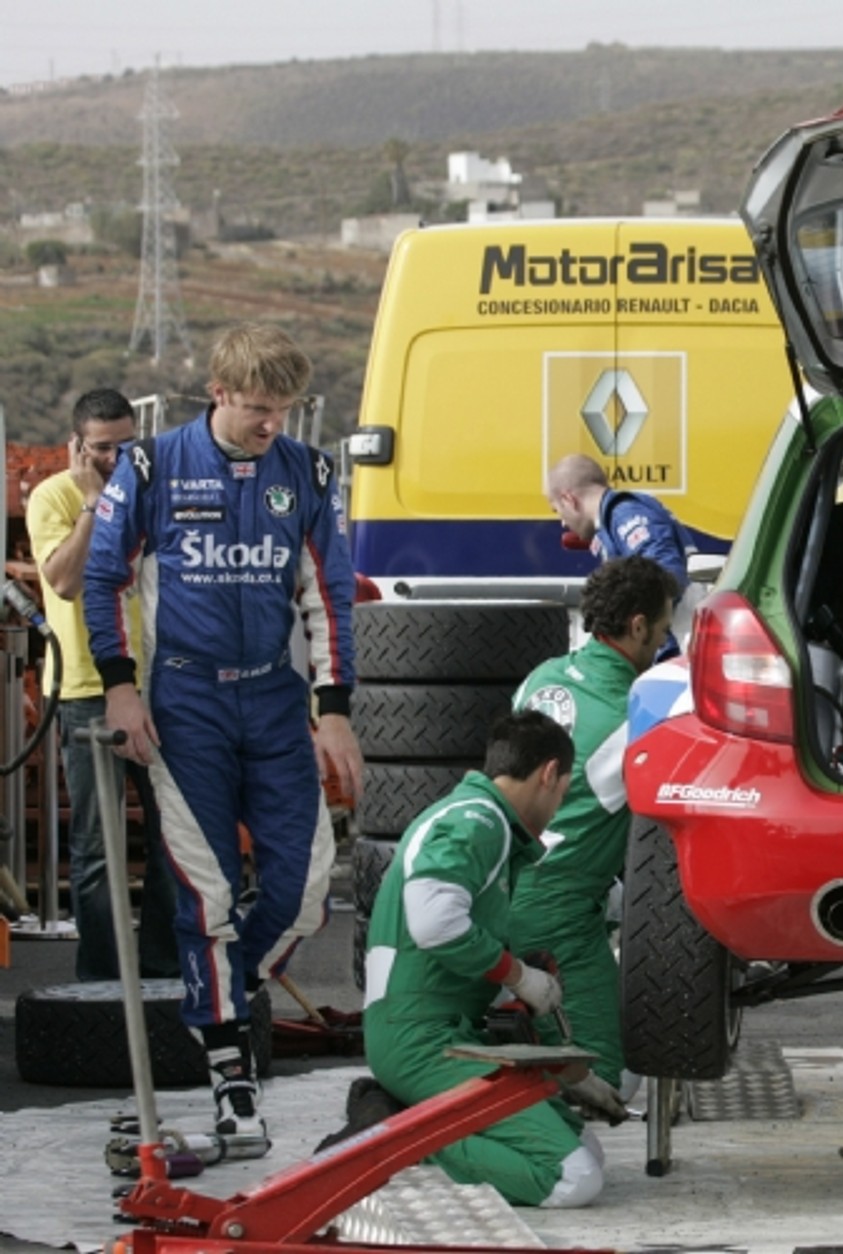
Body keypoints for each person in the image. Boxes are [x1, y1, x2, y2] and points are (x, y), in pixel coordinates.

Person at [83, 324, 363, 1146]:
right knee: (206, 896)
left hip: (276, 707)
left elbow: (329, 596)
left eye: (283, 409)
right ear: (218, 392)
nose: (271, 423)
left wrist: (334, 706)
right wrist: (122, 689)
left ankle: (221, 995)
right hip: (183, 706)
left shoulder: (306, 471)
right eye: (256, 409)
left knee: (307, 892)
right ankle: (231, 1076)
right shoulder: (151, 465)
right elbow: (105, 580)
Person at [361, 709, 622, 1209]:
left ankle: (419, 1120)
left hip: (441, 1033)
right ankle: (403, 1136)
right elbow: (435, 922)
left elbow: (470, 958)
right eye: (564, 791)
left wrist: (577, 1078)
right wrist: (519, 975)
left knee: (588, 1152)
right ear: (549, 774)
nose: (557, 806)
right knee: (571, 1179)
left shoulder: (478, 824)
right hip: (420, 1040)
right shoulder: (478, 821)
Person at [509, 556, 677, 1111]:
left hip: (498, 878)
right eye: (662, 627)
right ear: (636, 628)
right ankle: (530, 1109)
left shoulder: (542, 676)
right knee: (615, 1078)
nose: (664, 639)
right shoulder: (637, 721)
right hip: (555, 906)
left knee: (624, 901)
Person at [25, 388, 178, 982]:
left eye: (126, 446)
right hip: (89, 688)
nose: (115, 460)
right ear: (76, 447)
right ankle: (103, 980)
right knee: (98, 845)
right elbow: (62, 582)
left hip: (160, 685)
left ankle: (163, 971)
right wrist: (94, 505)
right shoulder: (53, 497)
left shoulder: (157, 494)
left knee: (174, 838)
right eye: (102, 449)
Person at [545, 453, 693, 655]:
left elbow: (665, 574)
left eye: (557, 510)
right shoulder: (614, 519)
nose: (563, 523)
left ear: (569, 500)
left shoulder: (625, 514)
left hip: (678, 648)